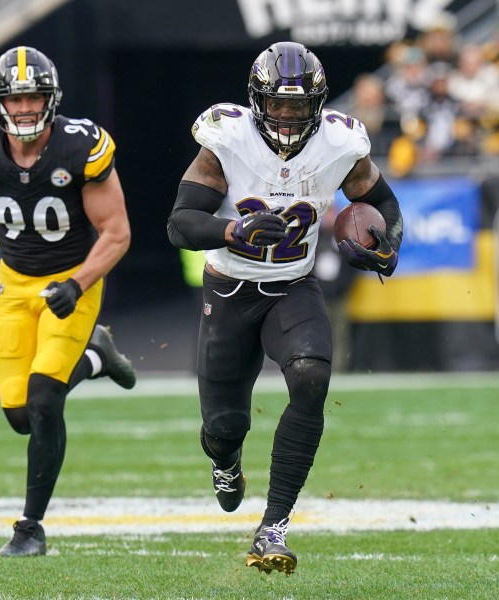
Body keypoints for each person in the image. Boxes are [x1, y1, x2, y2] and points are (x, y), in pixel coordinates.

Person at [167, 41, 403, 576]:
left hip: (293, 288)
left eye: (300, 107)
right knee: (224, 427)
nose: (289, 117)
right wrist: (232, 229)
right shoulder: (226, 139)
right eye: (279, 105)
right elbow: (180, 222)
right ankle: (225, 462)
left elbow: (383, 203)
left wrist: (388, 245)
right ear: (257, 101)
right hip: (229, 291)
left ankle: (274, 524)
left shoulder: (342, 143)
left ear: (318, 104)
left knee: (312, 375)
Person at [0, 46, 136, 556]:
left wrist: (79, 283)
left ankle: (30, 528)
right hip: (13, 282)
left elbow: (116, 232)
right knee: (18, 413)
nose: (23, 108)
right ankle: (97, 355)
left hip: (72, 280)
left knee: (45, 397)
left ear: (51, 98)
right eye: (14, 98)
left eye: (33, 97)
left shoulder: (78, 146)